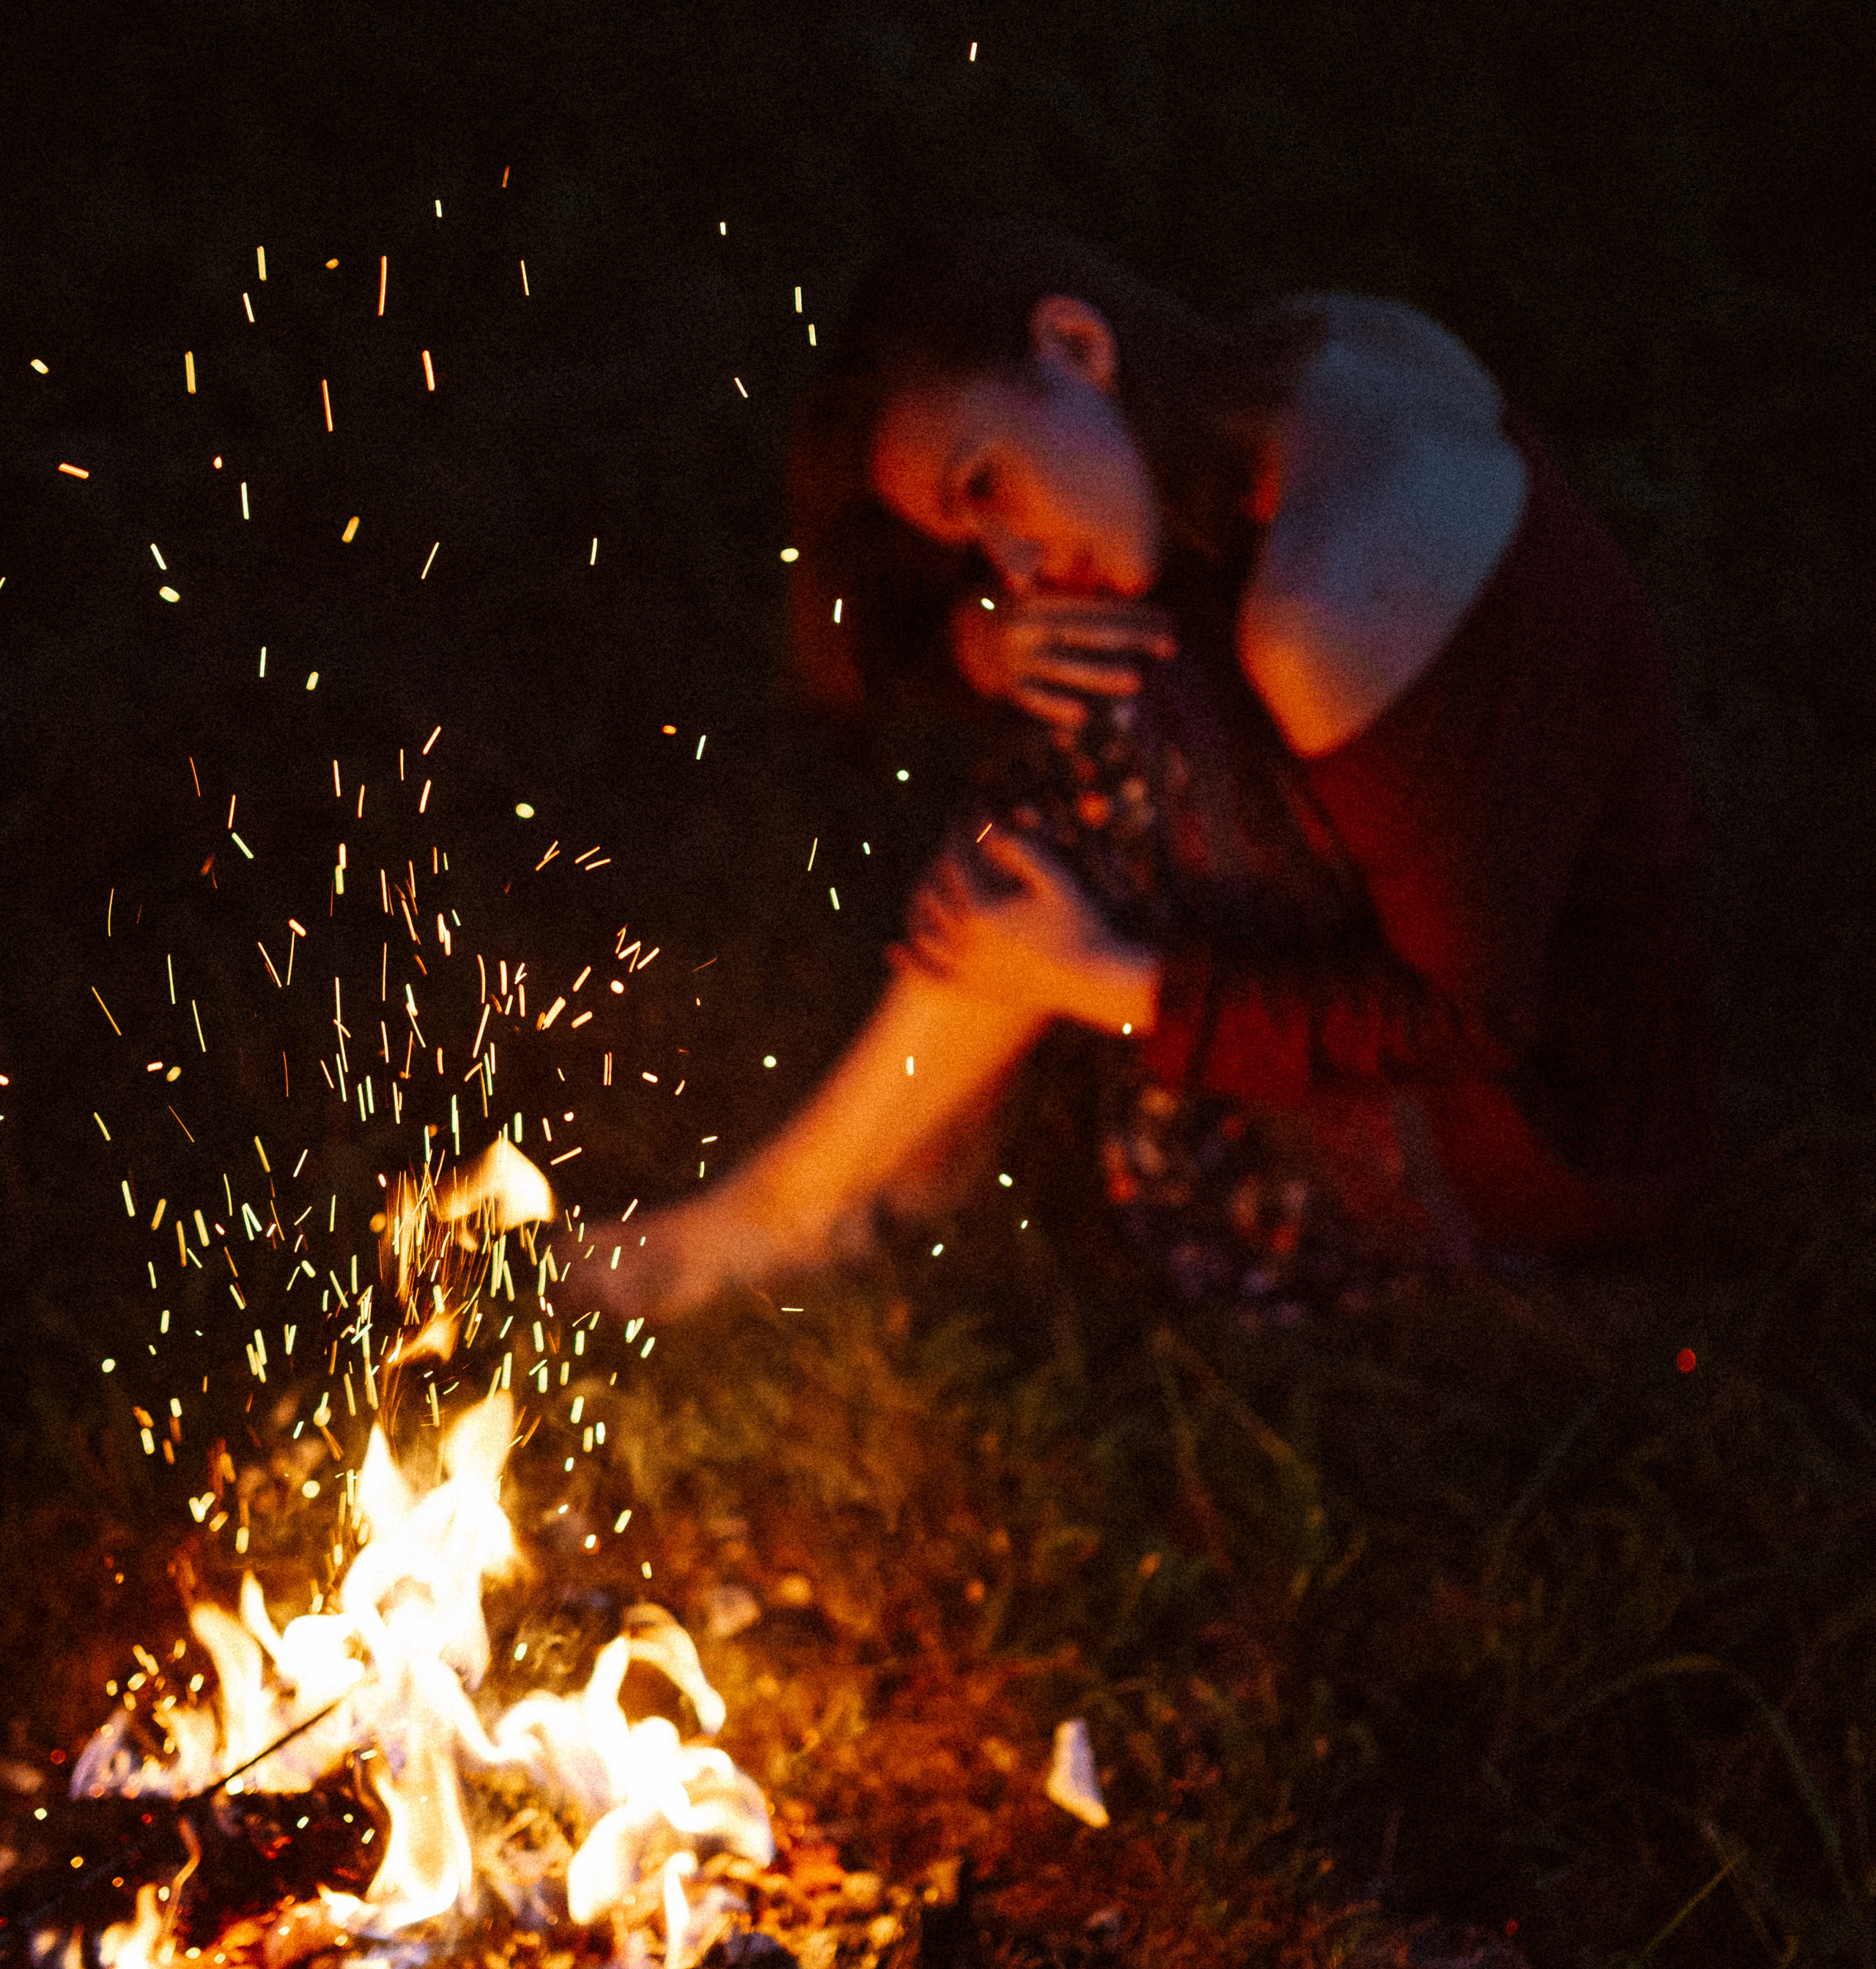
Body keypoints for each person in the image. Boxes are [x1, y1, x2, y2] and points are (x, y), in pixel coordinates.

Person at [443, 221, 1720, 1327]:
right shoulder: (1318, 355)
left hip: (1553, 1122)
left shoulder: (1331, 604)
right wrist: (984, 640)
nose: (1013, 563)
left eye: (988, 486)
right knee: (1085, 744)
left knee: (1071, 817)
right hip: (1593, 973)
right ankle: (832, 1187)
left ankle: (791, 1212)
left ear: (1074, 347)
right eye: (970, 542)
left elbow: (1475, 1020)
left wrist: (1101, 981)